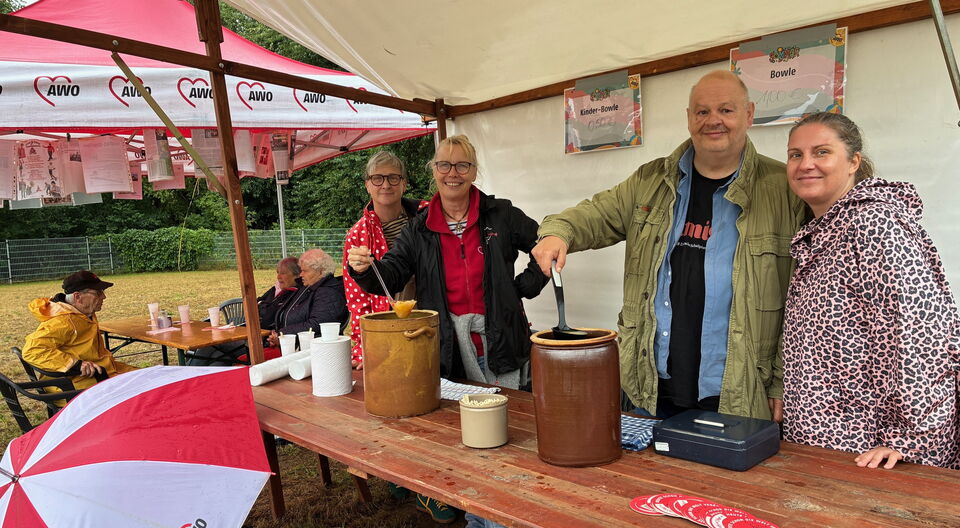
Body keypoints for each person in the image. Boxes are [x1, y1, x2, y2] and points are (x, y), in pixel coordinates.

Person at [532, 70, 805, 421]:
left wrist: (783, 382)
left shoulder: (784, 189)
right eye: (702, 111)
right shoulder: (651, 180)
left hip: (740, 390)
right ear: (689, 118)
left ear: (749, 114)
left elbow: (805, 304)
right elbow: (595, 213)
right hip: (650, 386)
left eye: (726, 110)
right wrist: (558, 232)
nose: (713, 121)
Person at [347, 135, 548, 526]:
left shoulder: (501, 214)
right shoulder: (420, 228)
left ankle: (507, 515)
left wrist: (520, 289)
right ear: (432, 171)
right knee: (462, 439)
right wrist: (365, 268)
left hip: (501, 342)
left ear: (474, 171)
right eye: (444, 165)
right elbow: (390, 275)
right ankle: (477, 516)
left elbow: (545, 244)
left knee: (508, 438)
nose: (452, 174)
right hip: (448, 350)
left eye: (462, 166)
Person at [781, 112, 959, 470]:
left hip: (866, 452)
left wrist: (908, 439)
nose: (806, 164)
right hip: (823, 443)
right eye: (795, 154)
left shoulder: (874, 223)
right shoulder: (825, 229)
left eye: (822, 152)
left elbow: (921, 334)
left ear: (853, 163)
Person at [342, 151, 428, 369]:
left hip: (430, 317)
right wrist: (363, 349)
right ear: (367, 185)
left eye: (393, 177)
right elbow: (357, 298)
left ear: (404, 184)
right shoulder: (357, 234)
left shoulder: (427, 217)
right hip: (388, 327)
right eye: (377, 178)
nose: (386, 185)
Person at [189, 249, 347, 365]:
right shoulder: (309, 287)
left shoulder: (328, 293)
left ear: (320, 271)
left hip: (292, 349)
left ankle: (190, 387)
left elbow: (317, 324)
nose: (301, 275)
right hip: (278, 341)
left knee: (213, 349)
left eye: (304, 271)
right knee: (215, 356)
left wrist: (281, 334)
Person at [22, 270, 137, 397]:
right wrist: (75, 364)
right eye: (98, 293)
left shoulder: (83, 312)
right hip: (77, 385)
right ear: (77, 297)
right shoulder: (63, 321)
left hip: (101, 372)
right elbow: (32, 350)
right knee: (146, 386)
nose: (103, 297)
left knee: (150, 377)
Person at [258, 256, 304, 331]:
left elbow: (270, 316)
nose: (278, 277)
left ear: (297, 275)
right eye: (278, 272)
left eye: (283, 273)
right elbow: (257, 302)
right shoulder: (275, 289)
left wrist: (261, 308)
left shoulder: (297, 294)